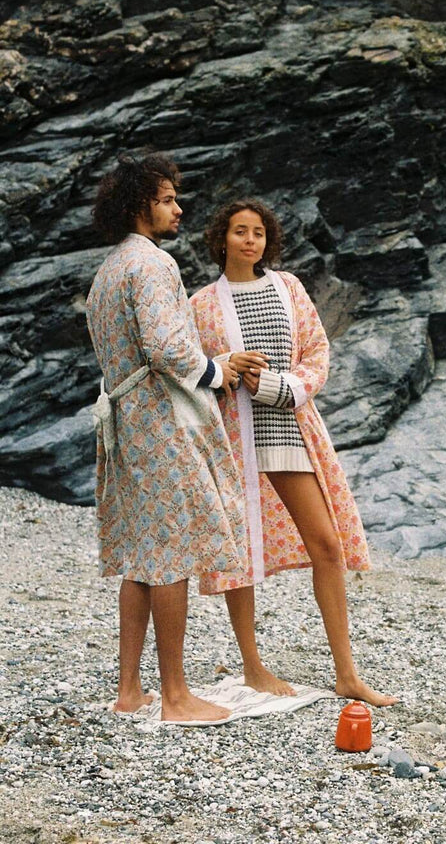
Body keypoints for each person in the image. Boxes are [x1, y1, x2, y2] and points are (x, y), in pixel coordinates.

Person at [86, 154, 288, 724]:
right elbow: (167, 349)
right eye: (169, 198)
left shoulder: (109, 268)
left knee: (142, 556)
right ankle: (175, 697)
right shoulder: (151, 265)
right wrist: (219, 371)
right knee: (170, 554)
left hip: (125, 419)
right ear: (139, 205)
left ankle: (130, 692)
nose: (179, 208)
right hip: (159, 422)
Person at [190, 200, 397, 706]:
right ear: (222, 239)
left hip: (288, 428)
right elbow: (189, 369)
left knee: (326, 545)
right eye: (240, 231)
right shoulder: (200, 305)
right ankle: (252, 667)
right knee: (238, 553)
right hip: (234, 438)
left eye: (258, 232)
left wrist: (278, 387)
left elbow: (318, 354)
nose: (250, 240)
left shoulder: (289, 287)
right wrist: (223, 364)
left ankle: (346, 673)